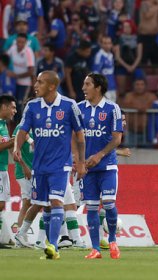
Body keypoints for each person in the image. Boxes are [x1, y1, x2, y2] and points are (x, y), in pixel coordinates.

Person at [13, 70, 86, 259]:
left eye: (40, 82)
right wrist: (17, 148)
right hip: (39, 166)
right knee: (42, 204)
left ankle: (53, 246)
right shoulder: (32, 107)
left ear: (52, 86)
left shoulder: (69, 106)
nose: (36, 86)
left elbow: (79, 135)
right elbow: (22, 130)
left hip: (61, 165)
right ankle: (42, 240)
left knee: (56, 202)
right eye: (36, 82)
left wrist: (81, 161)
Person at [78, 73, 123, 259]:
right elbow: (75, 137)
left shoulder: (113, 108)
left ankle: (112, 240)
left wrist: (100, 155)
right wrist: (78, 159)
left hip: (108, 166)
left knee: (109, 203)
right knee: (91, 207)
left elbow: (117, 138)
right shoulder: (79, 108)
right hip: (88, 169)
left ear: (98, 88)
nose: (83, 88)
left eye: (87, 84)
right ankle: (95, 248)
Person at [6, 33, 36, 123]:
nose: (20, 44)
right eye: (18, 42)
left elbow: (31, 71)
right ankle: (11, 124)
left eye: (22, 42)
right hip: (13, 82)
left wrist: (16, 75)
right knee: (11, 103)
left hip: (24, 83)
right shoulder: (12, 48)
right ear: (16, 41)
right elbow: (5, 59)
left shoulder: (28, 52)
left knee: (20, 104)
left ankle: (21, 125)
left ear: (26, 42)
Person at [122, 77, 158, 147]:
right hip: (131, 132)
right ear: (133, 86)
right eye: (137, 84)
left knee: (148, 155)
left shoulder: (151, 96)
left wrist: (146, 107)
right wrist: (138, 108)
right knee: (128, 155)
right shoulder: (129, 96)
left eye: (142, 84)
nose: (139, 87)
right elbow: (125, 105)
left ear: (145, 86)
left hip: (147, 133)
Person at [0, 95, 17, 244]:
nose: (15, 111)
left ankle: (4, 238)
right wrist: (15, 141)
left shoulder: (3, 125)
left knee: (2, 204)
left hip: (3, 168)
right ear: (4, 107)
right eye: (12, 107)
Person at [93, 36, 116, 102]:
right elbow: (95, 73)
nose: (107, 45)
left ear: (111, 44)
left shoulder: (111, 55)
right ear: (101, 44)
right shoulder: (99, 55)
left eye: (109, 43)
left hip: (112, 86)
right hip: (104, 88)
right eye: (105, 43)